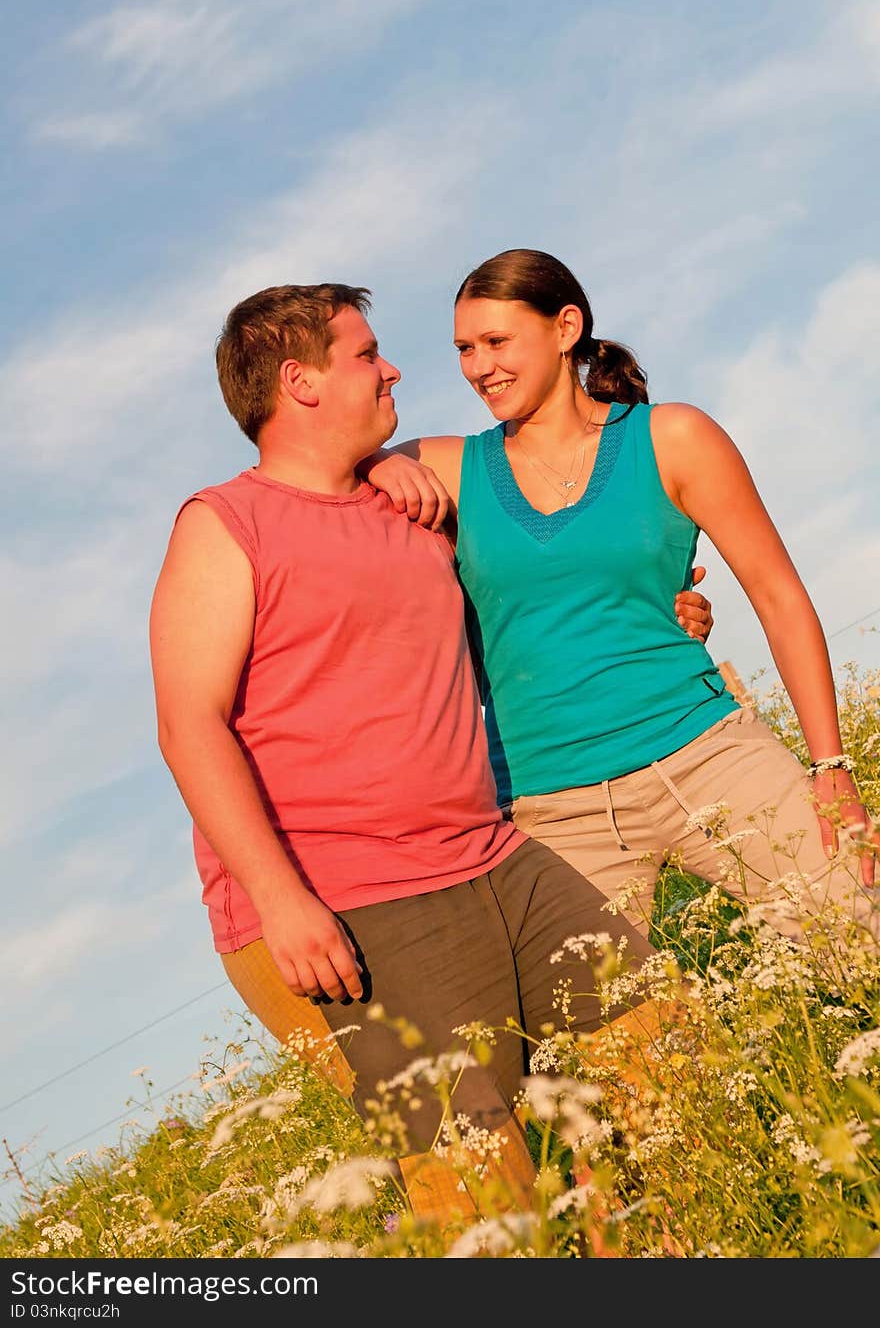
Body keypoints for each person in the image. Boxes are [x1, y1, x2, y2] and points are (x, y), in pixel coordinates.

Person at [150, 282, 695, 1229]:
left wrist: (668, 609)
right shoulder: (225, 524)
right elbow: (188, 723)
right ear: (300, 381)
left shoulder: (410, 507)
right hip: (346, 896)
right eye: (366, 354)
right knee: (483, 1186)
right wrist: (281, 900)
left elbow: (533, 606)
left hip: (491, 857)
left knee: (663, 1050)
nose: (395, 367)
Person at [363, 248, 879, 946]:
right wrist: (374, 465)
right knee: (613, 1048)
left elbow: (779, 597)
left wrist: (830, 768)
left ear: (566, 326)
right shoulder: (445, 467)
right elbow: (316, 475)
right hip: (552, 808)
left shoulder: (673, 438)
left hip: (708, 754)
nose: (478, 366)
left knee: (859, 932)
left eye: (496, 341)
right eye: (464, 348)